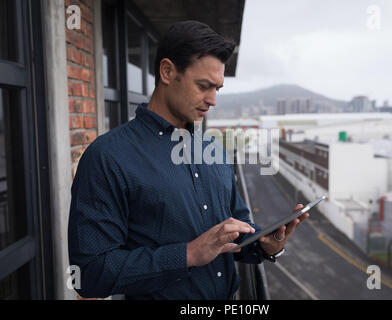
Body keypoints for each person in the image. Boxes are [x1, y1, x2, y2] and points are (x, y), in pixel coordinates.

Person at [68, 20, 308, 300]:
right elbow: (89, 273)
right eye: (204, 86)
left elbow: (237, 223)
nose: (213, 100)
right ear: (168, 72)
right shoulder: (107, 157)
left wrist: (266, 244)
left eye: (217, 88)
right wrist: (188, 254)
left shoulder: (214, 150)